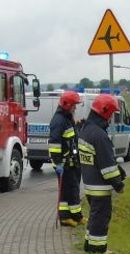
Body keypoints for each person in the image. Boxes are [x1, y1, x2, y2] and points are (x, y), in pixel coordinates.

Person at [79, 94, 126, 254]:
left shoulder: (86, 130)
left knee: (94, 217)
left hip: (89, 185)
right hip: (100, 187)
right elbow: (107, 167)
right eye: (111, 113)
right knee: (101, 219)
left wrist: (118, 169)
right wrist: (118, 184)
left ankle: (89, 245)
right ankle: (98, 250)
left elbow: (97, 158)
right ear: (105, 112)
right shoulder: (100, 135)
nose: (112, 117)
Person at [49, 90, 83, 226]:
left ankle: (69, 216)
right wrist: (58, 163)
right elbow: (54, 144)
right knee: (70, 189)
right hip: (63, 162)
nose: (75, 107)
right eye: (74, 105)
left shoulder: (67, 118)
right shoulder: (59, 120)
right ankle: (71, 217)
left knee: (69, 189)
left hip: (70, 161)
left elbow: (70, 138)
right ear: (67, 104)